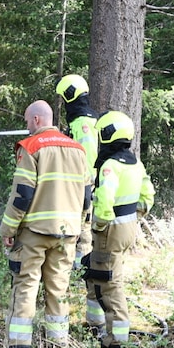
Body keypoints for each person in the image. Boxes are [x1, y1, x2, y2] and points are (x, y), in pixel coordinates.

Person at [0, 100, 91, 348]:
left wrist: (8, 228)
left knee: (25, 287)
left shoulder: (31, 147)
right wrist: (81, 231)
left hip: (34, 233)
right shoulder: (78, 150)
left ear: (35, 120)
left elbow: (22, 195)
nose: (26, 126)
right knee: (58, 290)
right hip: (67, 234)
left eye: (26, 121)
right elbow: (87, 197)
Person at [82, 110, 155, 348]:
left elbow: (104, 201)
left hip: (110, 231)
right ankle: (96, 324)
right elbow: (148, 196)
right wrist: (134, 216)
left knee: (108, 282)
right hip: (128, 227)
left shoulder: (110, 167)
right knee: (100, 274)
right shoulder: (135, 163)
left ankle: (116, 338)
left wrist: (99, 225)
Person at [55, 74, 99, 266]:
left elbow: (88, 155)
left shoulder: (83, 122)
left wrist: (85, 186)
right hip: (79, 183)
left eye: (65, 98)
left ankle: (80, 269)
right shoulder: (80, 121)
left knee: (82, 229)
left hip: (83, 184)